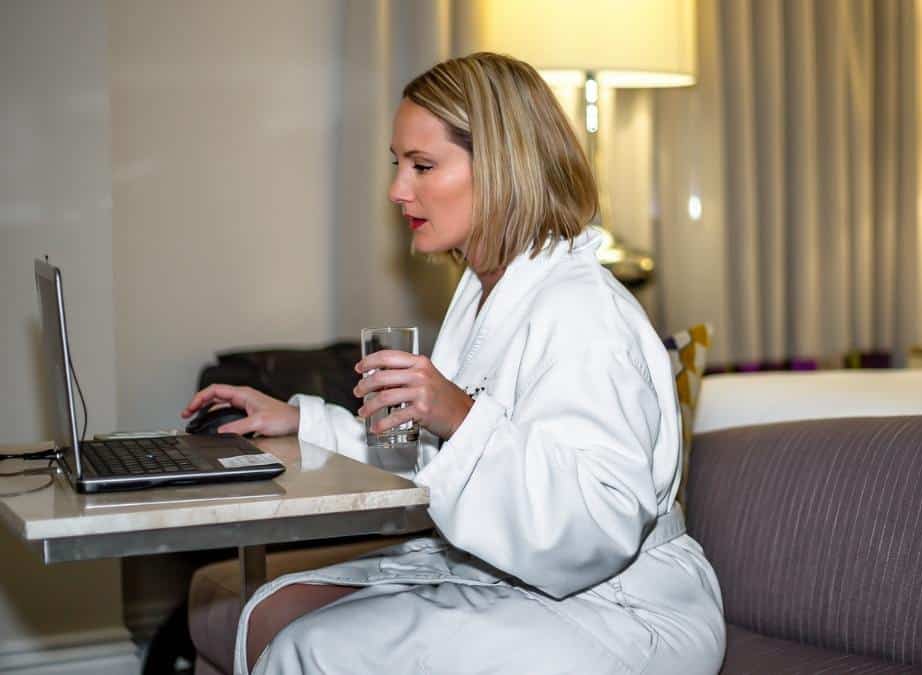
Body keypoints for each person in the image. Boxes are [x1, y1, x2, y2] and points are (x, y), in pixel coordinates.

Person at [181, 52, 725, 675]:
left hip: (623, 611)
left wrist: (462, 416)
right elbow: (429, 460)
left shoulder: (583, 311)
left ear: (499, 167)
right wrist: (301, 421)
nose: (396, 190)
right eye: (398, 165)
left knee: (313, 649)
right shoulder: (484, 294)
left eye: (423, 165)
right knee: (275, 614)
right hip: (523, 580)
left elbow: (597, 526)